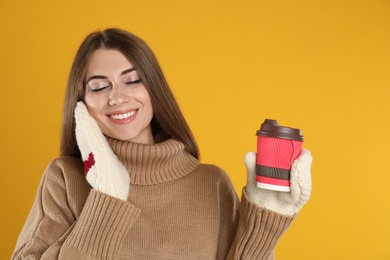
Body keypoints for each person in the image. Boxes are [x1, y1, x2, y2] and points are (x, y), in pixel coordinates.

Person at [12, 28, 312, 260]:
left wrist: (266, 217)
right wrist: (108, 198)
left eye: (132, 81)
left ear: (154, 89)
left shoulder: (211, 183)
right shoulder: (65, 178)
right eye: (100, 86)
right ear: (82, 103)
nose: (117, 97)